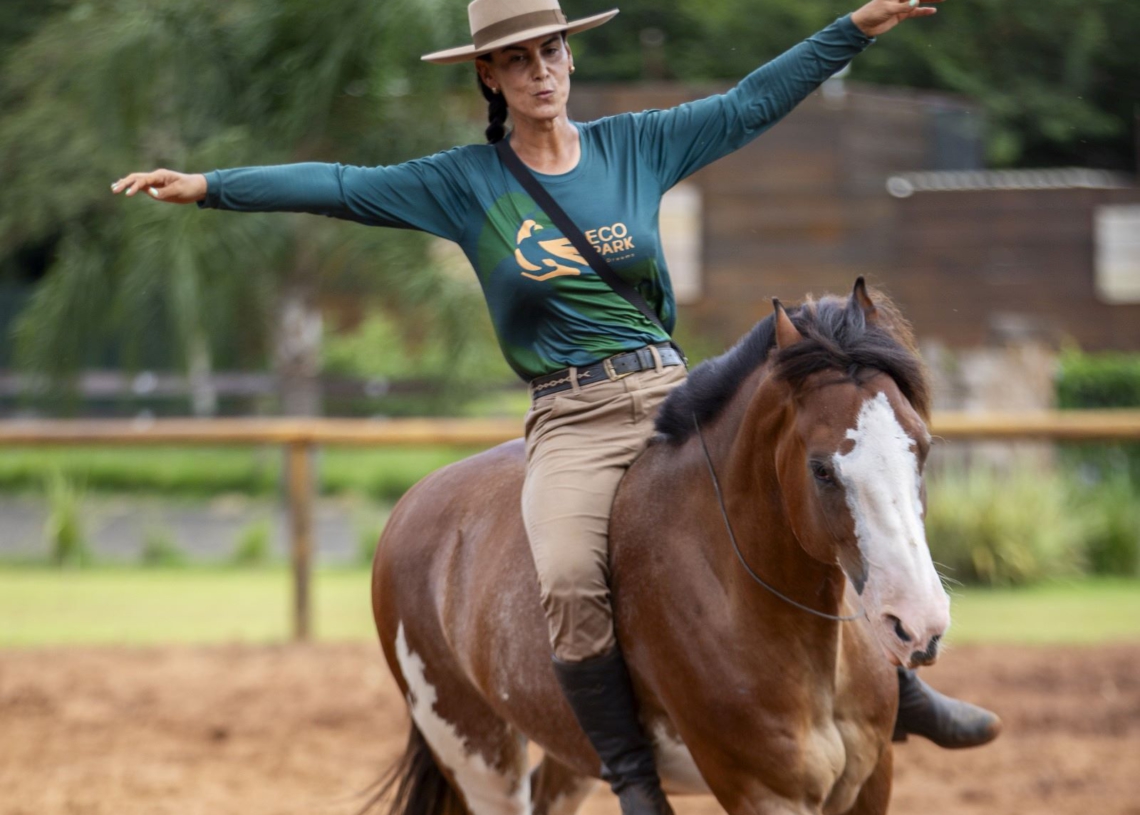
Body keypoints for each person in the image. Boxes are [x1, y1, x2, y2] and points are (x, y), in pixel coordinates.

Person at [112, 1, 1000, 812]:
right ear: (489, 78)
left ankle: (903, 691)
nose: (542, 70)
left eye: (553, 50)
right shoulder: (464, 183)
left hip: (675, 389)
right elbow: (341, 185)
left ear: (569, 58)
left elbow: (747, 106)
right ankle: (629, 776)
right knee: (572, 575)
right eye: (519, 59)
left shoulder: (636, 146)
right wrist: (209, 185)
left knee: (821, 472)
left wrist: (852, 29)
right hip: (572, 417)